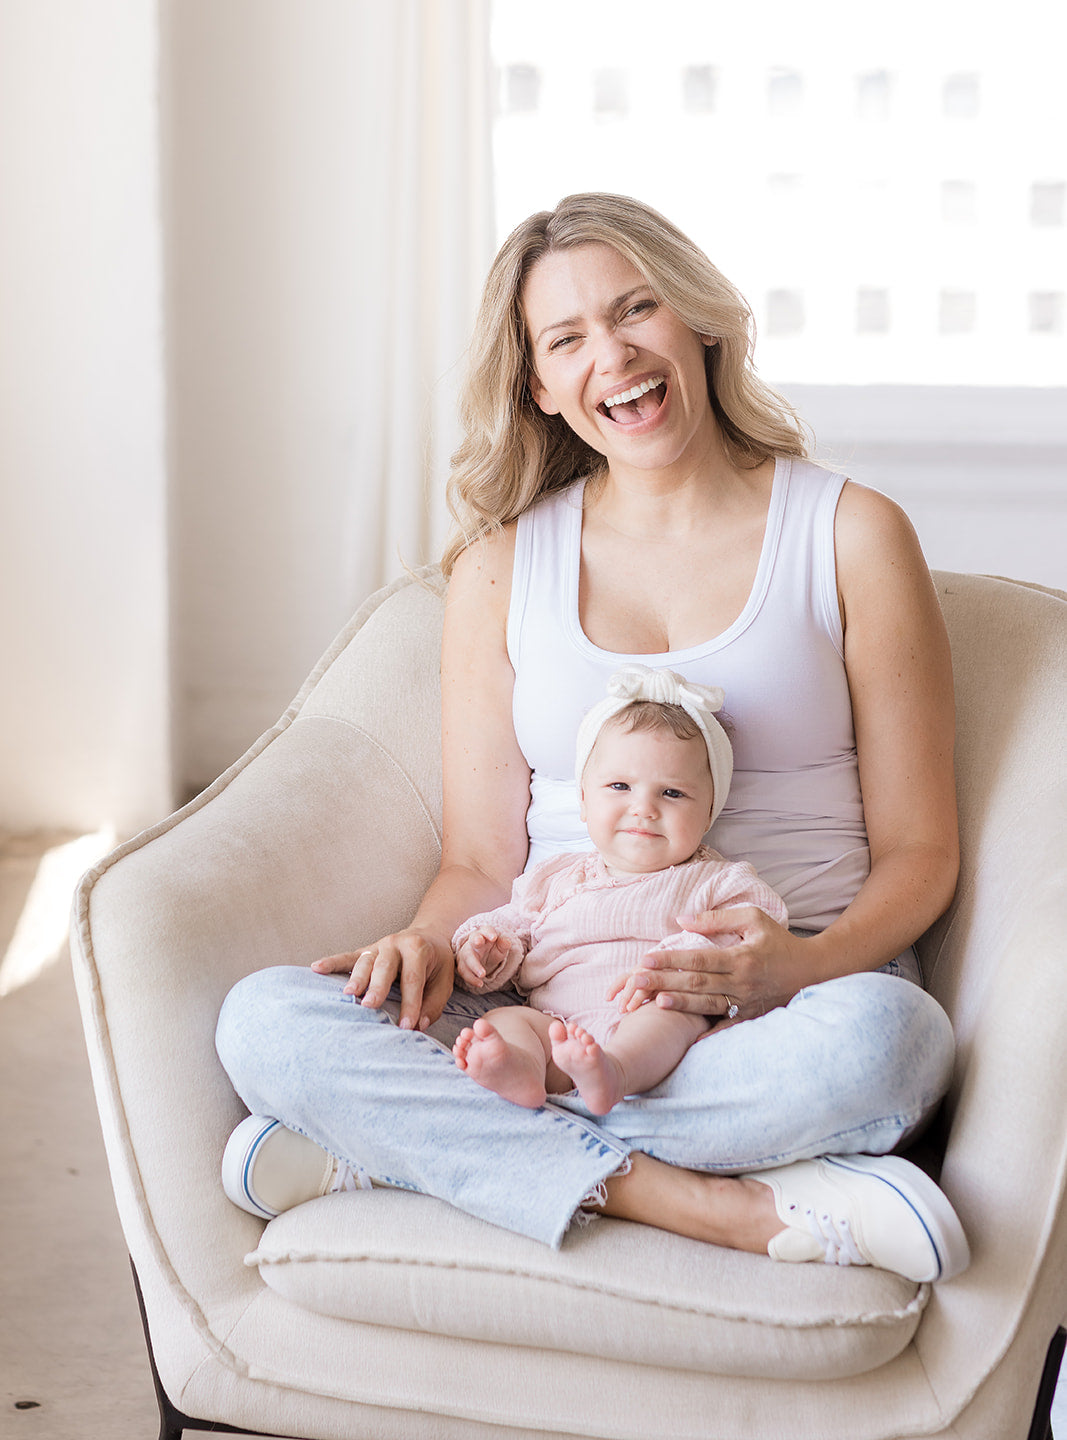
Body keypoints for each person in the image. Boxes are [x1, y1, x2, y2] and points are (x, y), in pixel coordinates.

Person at [217, 192, 969, 1284]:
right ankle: (702, 1203)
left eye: (635, 310)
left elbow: (921, 851)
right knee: (266, 1022)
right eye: (565, 338)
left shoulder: (848, 531)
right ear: (536, 383)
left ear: (698, 323)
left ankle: (407, 1152)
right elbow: (480, 860)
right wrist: (433, 946)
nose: (611, 354)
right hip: (544, 1006)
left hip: (778, 1002)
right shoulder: (499, 567)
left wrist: (793, 965)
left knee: (890, 1045)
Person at [451, 665, 789, 1115]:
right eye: (619, 786)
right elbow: (514, 925)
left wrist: (678, 962)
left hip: (658, 1015)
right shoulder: (556, 877)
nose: (643, 809)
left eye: (671, 793)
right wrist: (486, 948)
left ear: (709, 811)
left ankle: (616, 1073)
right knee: (505, 1021)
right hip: (558, 1026)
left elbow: (759, 932)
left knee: (669, 1016)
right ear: (585, 801)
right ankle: (523, 1070)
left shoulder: (717, 880)